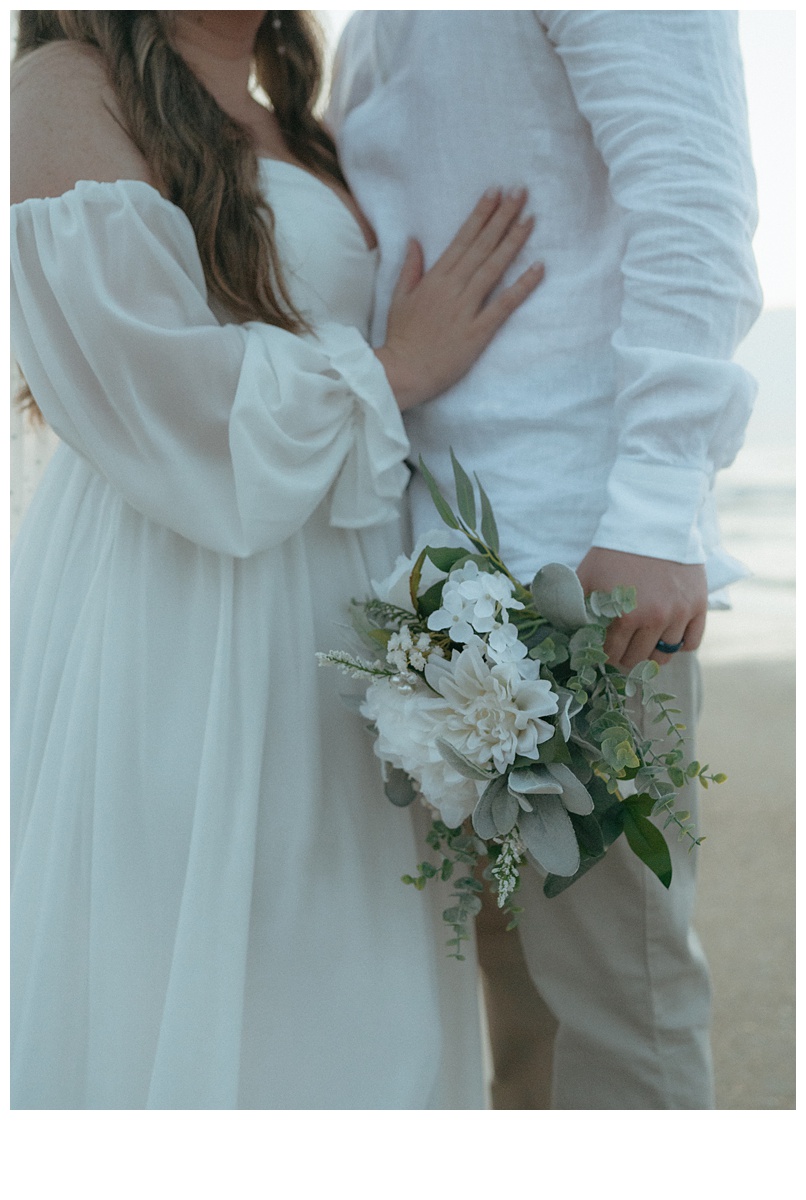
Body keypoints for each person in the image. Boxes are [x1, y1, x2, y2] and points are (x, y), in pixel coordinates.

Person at [10, 10, 544, 1110]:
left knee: (352, 968)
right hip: (178, 600)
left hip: (338, 599)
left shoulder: (303, 114)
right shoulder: (69, 79)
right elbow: (144, 374)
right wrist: (395, 366)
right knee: (195, 956)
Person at [329, 9, 763, 1109]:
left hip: (577, 563)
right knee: (519, 1008)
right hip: (432, 576)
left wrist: (657, 505)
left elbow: (692, 193)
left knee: (618, 1008)